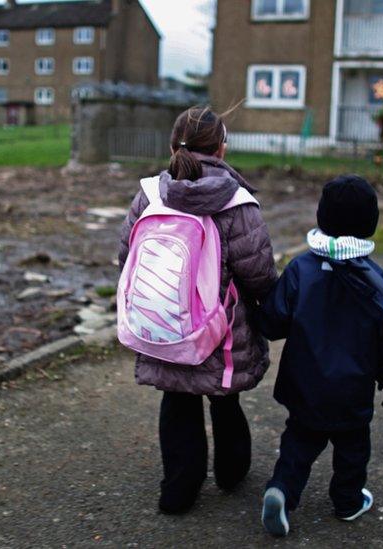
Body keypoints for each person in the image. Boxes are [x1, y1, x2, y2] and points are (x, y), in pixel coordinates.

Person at [117, 106, 277, 514]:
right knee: (225, 401)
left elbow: (126, 256)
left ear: (173, 146)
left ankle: (177, 492)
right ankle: (231, 472)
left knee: (177, 403)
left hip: (164, 324)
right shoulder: (237, 203)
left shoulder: (150, 194)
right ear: (222, 148)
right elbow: (258, 274)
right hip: (219, 332)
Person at [256, 175, 383, 537]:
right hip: (352, 390)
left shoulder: (301, 269)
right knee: (353, 449)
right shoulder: (376, 280)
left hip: (304, 385)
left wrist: (258, 312)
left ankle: (281, 490)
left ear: (322, 215)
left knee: (298, 441)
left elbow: (274, 322)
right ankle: (347, 501)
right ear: (368, 224)